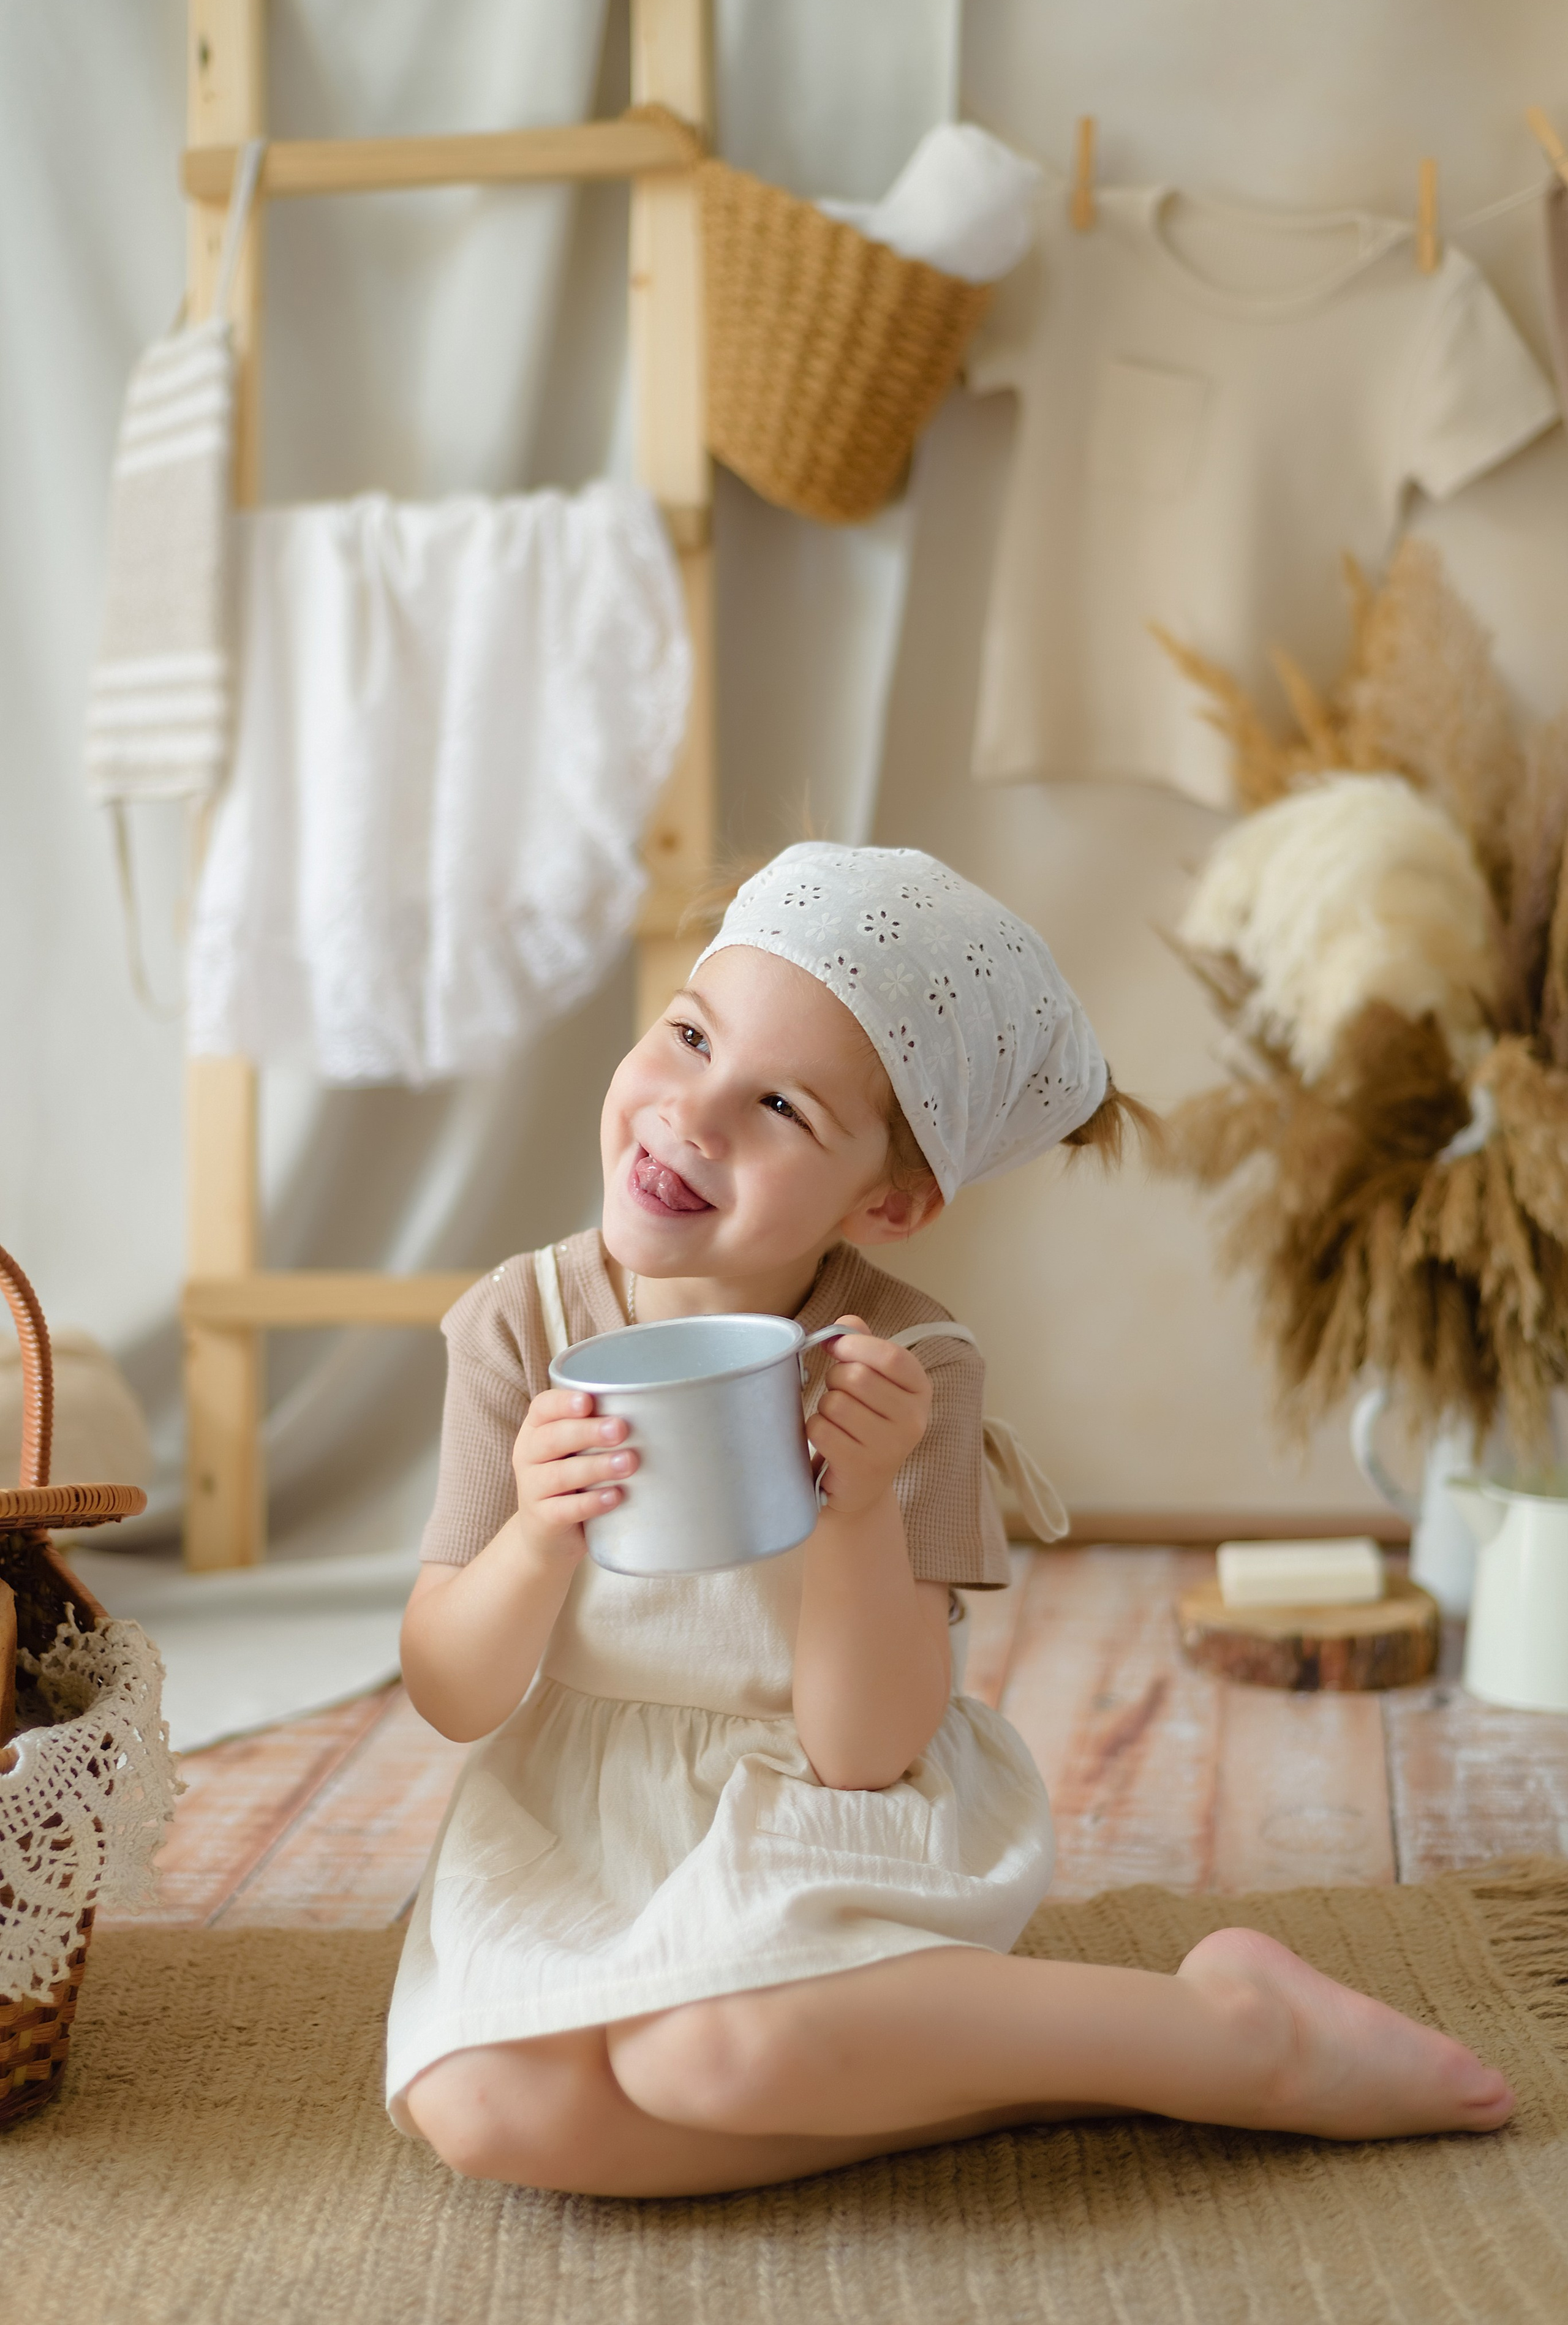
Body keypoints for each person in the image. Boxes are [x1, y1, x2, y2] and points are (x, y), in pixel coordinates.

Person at [391, 842, 1513, 2197]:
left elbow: (865, 1749)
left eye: (782, 1105)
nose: (691, 1112)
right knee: (485, 2110)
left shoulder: (904, 1365)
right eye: (688, 1034)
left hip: (811, 1799)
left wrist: (858, 1507)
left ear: (891, 1201)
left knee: (710, 2060)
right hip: (584, 1810)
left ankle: (1230, 2037)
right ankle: (987, 2082)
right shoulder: (519, 1323)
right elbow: (452, 1692)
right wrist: (532, 1533)